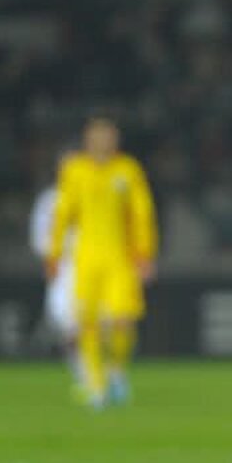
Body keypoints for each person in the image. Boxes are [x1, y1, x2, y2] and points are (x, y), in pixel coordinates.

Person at [47, 116, 157, 409]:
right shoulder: (75, 170)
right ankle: (95, 385)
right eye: (97, 137)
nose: (103, 143)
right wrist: (54, 252)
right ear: (87, 140)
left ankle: (116, 369)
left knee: (122, 320)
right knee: (88, 323)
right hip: (86, 258)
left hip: (119, 257)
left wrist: (144, 254)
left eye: (108, 137)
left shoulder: (127, 170)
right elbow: (63, 213)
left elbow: (141, 213)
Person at [29, 155, 80, 385]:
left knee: (96, 321)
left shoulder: (87, 195)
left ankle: (100, 369)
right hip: (63, 265)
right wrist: (49, 259)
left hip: (89, 262)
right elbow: (39, 234)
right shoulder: (50, 200)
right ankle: (81, 369)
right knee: (63, 319)